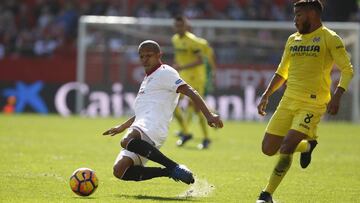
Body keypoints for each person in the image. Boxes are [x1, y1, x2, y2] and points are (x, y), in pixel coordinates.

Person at [256, 1, 354, 202]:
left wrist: (337, 95)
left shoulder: (330, 38)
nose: (295, 20)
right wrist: (266, 95)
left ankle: (267, 194)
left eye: (298, 15)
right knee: (268, 149)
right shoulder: (293, 39)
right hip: (288, 100)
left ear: (312, 14)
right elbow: (282, 71)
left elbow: (347, 69)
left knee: (286, 147)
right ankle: (308, 146)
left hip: (313, 103)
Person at [103, 40, 223, 185]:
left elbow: (190, 91)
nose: (145, 60)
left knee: (126, 141)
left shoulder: (166, 72)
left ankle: (172, 166)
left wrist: (209, 115)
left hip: (154, 125)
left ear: (159, 55)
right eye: (141, 56)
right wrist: (122, 126)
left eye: (149, 55)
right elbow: (143, 112)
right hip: (144, 124)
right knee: (120, 170)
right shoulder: (148, 79)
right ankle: (168, 172)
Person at [171, 16, 213, 149]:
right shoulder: (175, 39)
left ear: (186, 26)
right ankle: (186, 132)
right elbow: (179, 57)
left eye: (181, 26)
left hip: (196, 78)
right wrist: (177, 68)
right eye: (177, 26)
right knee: (172, 103)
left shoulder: (193, 41)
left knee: (196, 108)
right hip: (183, 77)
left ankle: (206, 138)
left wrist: (181, 67)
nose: (179, 28)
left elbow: (201, 61)